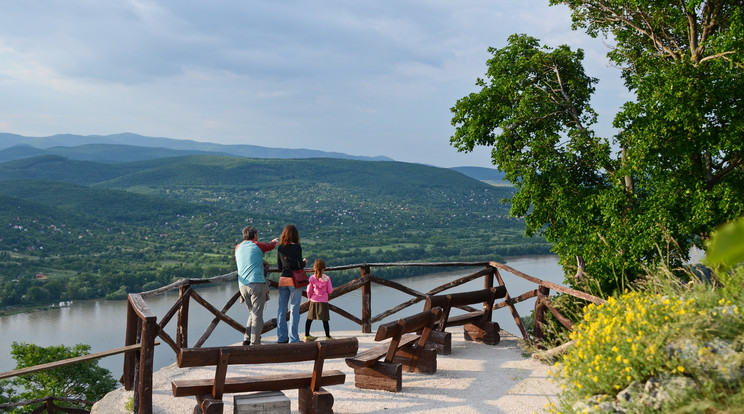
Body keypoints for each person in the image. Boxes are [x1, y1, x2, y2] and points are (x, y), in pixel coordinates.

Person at [235, 226, 278, 346]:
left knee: (252, 313)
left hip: (242, 285)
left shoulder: (238, 247)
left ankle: (247, 339)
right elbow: (270, 246)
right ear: (255, 236)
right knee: (257, 316)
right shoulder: (257, 245)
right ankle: (255, 344)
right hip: (257, 283)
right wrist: (275, 241)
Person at [276, 224, 307, 343]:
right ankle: (293, 338)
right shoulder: (297, 247)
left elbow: (279, 266)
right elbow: (299, 265)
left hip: (283, 279)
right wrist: (304, 262)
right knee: (294, 310)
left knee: (281, 310)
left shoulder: (280, 248)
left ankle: (282, 337)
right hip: (294, 281)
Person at [304, 258, 334, 341]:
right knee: (325, 320)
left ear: (314, 268)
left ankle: (306, 335)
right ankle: (328, 336)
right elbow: (330, 291)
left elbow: (308, 290)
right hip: (323, 301)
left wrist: (309, 298)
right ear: (324, 268)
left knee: (309, 319)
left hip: (314, 300)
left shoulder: (312, 278)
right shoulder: (327, 278)